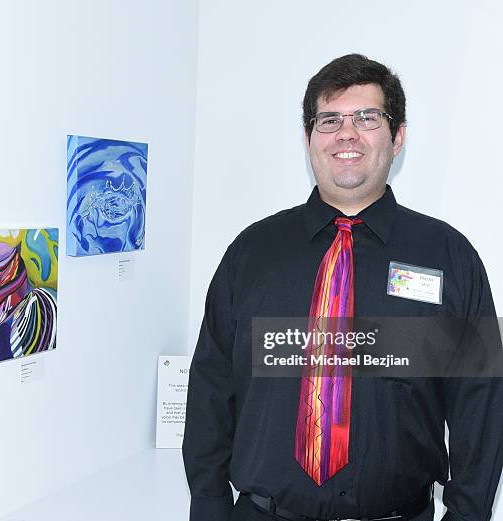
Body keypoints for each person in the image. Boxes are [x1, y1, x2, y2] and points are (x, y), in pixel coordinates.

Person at [182, 54, 503, 521]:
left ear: (397, 137)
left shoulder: (449, 257)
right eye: (329, 120)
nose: (346, 133)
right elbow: (211, 387)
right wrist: (209, 507)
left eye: (367, 118)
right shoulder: (251, 253)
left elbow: (481, 402)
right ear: (310, 139)